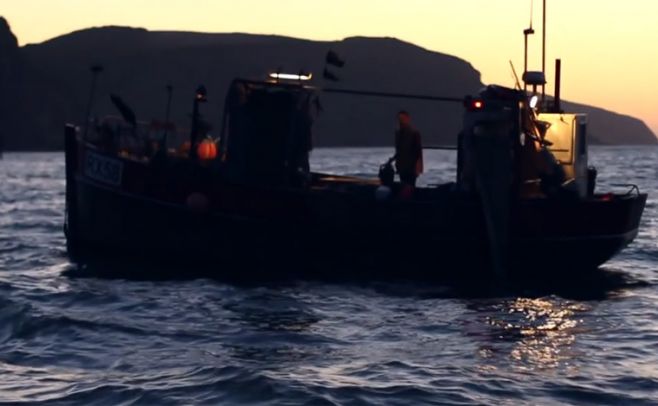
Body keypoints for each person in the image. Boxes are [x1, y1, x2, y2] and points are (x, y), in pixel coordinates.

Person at [394, 110, 423, 187]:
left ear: (408, 119)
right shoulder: (398, 134)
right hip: (402, 166)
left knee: (410, 186)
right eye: (400, 119)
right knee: (403, 185)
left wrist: (417, 169)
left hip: (411, 167)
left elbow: (418, 153)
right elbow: (398, 150)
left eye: (403, 119)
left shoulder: (414, 133)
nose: (401, 121)